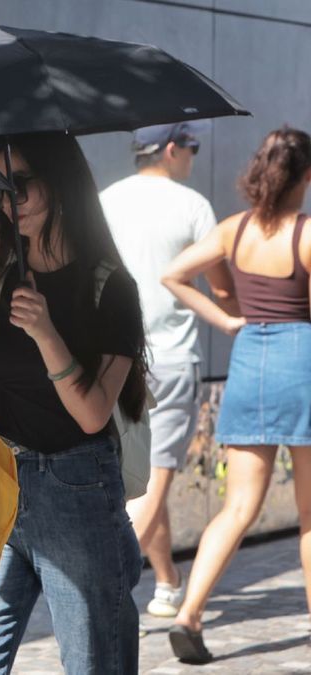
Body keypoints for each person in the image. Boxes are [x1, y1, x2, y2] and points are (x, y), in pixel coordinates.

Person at [0, 132, 149, 675]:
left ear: (59, 182)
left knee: (95, 662)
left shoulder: (110, 288)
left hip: (77, 490)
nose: (5, 201)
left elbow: (91, 414)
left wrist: (46, 333)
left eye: (18, 185)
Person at [162, 127, 311, 664]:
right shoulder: (307, 234)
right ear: (307, 176)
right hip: (302, 361)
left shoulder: (234, 229)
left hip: (250, 362)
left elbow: (174, 275)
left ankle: (189, 614)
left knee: (238, 505)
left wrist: (225, 318)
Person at [100, 121, 238, 618]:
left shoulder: (105, 200)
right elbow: (220, 286)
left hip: (111, 356)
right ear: (173, 149)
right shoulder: (192, 205)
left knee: (134, 478)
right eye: (193, 147)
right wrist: (235, 316)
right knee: (154, 482)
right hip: (172, 358)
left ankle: (167, 579)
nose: (194, 157)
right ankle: (110, 593)